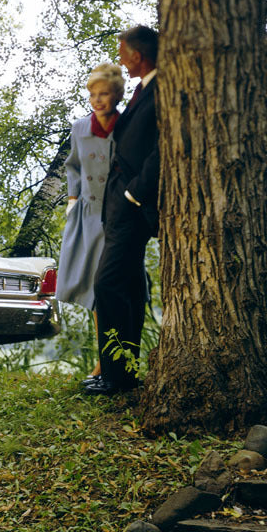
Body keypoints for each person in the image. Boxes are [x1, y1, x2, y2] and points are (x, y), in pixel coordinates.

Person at [84, 25, 160, 395]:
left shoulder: (162, 90)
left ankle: (114, 375)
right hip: (118, 205)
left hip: (133, 205)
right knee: (128, 286)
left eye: (122, 53)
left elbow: (164, 148)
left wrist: (134, 194)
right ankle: (123, 372)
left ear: (137, 54)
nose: (119, 59)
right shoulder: (141, 90)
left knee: (108, 284)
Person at [57, 64, 125, 382]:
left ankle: (109, 364)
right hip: (86, 216)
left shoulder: (125, 127)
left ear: (116, 96)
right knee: (90, 291)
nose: (98, 101)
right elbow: (72, 166)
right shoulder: (80, 128)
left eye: (104, 94)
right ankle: (104, 362)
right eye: (93, 95)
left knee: (107, 290)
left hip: (115, 218)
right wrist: (73, 199)